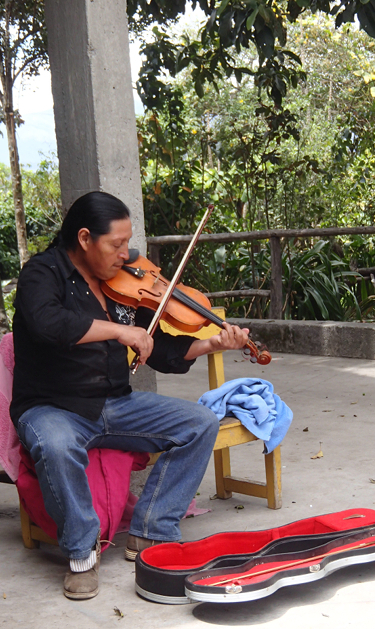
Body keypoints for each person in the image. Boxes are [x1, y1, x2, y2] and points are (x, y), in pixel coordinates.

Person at [10, 191, 249, 600]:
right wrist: (120, 331)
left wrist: (211, 344)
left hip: (114, 405)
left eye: (128, 242)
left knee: (199, 423)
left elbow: (165, 349)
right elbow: (50, 324)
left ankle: (152, 530)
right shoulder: (41, 274)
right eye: (116, 244)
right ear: (85, 238)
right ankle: (82, 552)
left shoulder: (122, 286)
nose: (126, 253)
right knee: (56, 443)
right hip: (53, 406)